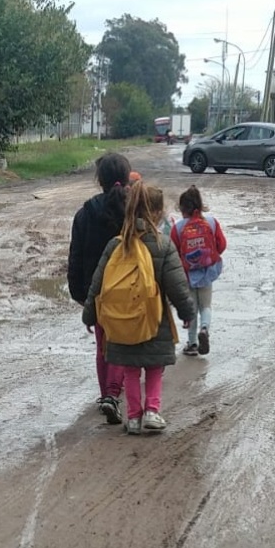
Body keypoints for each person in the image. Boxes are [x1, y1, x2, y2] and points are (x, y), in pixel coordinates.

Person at [82, 181, 195, 434]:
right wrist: (187, 313)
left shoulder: (115, 245)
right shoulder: (164, 245)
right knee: (154, 368)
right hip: (154, 320)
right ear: (157, 213)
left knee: (131, 369)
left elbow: (97, 284)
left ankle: (133, 418)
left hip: (122, 322)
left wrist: (89, 314)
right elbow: (177, 286)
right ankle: (152, 411)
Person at [67, 152, 131, 425]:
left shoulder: (84, 214)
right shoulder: (133, 210)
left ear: (99, 180)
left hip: (98, 292)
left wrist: (79, 294)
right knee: (121, 344)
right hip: (129, 290)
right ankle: (114, 395)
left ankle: (106, 394)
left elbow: (76, 257)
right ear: (127, 178)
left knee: (103, 345)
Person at [170, 184, 227, 356]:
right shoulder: (210, 221)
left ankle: (192, 343)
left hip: (187, 274)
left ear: (182, 208)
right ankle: (205, 329)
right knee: (206, 305)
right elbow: (222, 245)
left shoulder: (178, 228)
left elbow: (173, 254)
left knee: (192, 308)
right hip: (207, 272)